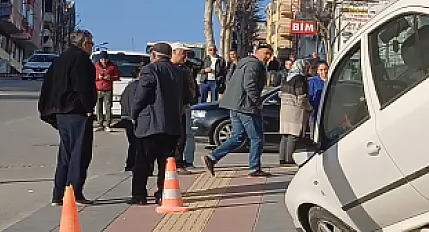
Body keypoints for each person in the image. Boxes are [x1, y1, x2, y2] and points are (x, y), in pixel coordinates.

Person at [38, 29, 97, 206]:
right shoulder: (81, 60)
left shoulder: (60, 59)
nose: (92, 47)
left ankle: (58, 194)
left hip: (61, 112)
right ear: (84, 43)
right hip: (76, 111)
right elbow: (83, 87)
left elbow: (48, 86)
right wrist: (88, 108)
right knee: (79, 154)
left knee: (65, 154)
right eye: (91, 43)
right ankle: (74, 192)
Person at [130, 42, 187, 205]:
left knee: (142, 161)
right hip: (172, 125)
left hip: (150, 124)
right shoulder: (179, 72)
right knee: (166, 163)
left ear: (154, 55)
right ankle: (163, 192)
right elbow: (189, 95)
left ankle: (139, 195)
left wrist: (133, 113)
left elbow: (141, 96)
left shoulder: (150, 70)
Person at [203, 42, 271, 178]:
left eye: (270, 54)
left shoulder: (244, 63)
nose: (267, 57)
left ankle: (213, 157)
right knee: (257, 138)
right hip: (246, 106)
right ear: (257, 52)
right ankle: (254, 168)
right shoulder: (254, 64)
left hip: (235, 105)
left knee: (238, 137)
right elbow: (249, 84)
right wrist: (257, 102)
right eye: (265, 53)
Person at [277, 57, 312, 166]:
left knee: (285, 135)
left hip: (284, 108)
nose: (308, 69)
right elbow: (301, 97)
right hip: (295, 110)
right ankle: (289, 158)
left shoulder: (287, 77)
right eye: (307, 67)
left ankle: (282, 158)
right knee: (293, 134)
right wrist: (309, 108)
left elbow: (280, 93)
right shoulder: (300, 79)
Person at [93, 52, 120, 132]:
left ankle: (108, 124)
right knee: (98, 108)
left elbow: (117, 76)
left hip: (108, 89)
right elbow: (92, 76)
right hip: (98, 89)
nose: (103, 61)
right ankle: (100, 123)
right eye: (102, 59)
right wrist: (98, 77)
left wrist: (110, 77)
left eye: (105, 59)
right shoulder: (96, 66)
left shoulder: (112, 66)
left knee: (108, 107)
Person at [308, 59, 329, 128]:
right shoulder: (313, 81)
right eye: (321, 70)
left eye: (325, 69)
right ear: (317, 71)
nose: (324, 72)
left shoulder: (331, 80)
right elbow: (310, 97)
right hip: (316, 114)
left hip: (329, 114)